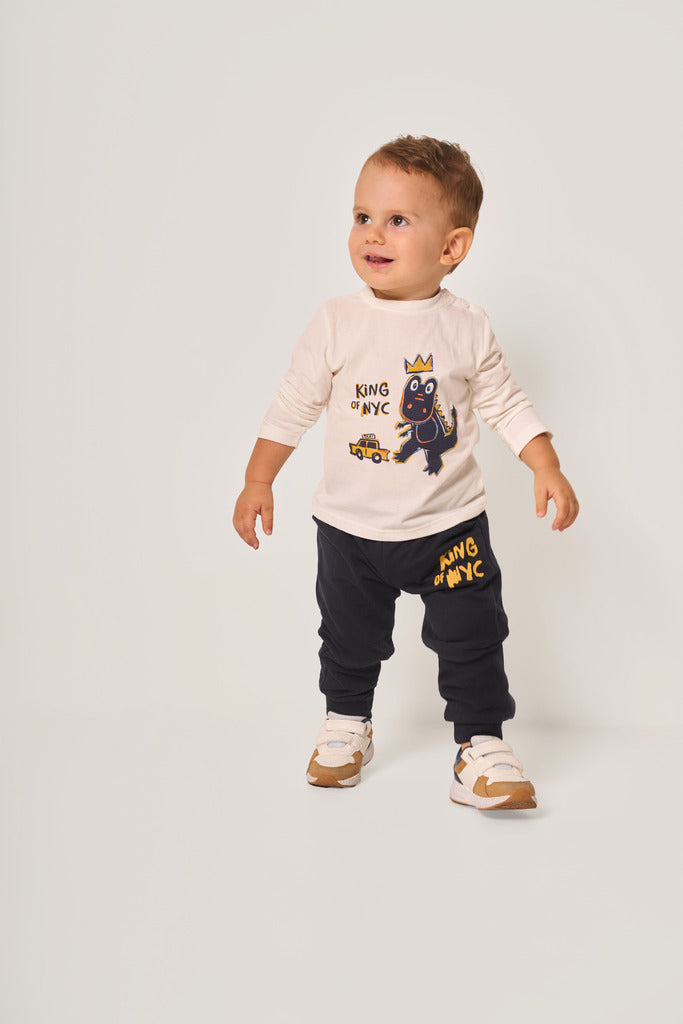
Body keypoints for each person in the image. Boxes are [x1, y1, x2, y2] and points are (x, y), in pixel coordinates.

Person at [233, 135, 579, 810]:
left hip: (449, 526)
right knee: (347, 636)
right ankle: (346, 721)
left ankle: (480, 745)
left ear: (452, 247)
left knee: (473, 637)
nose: (372, 233)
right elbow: (293, 405)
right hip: (350, 530)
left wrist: (546, 464)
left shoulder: (465, 327)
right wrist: (257, 480)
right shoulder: (337, 322)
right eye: (362, 216)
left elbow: (506, 403)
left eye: (397, 220)